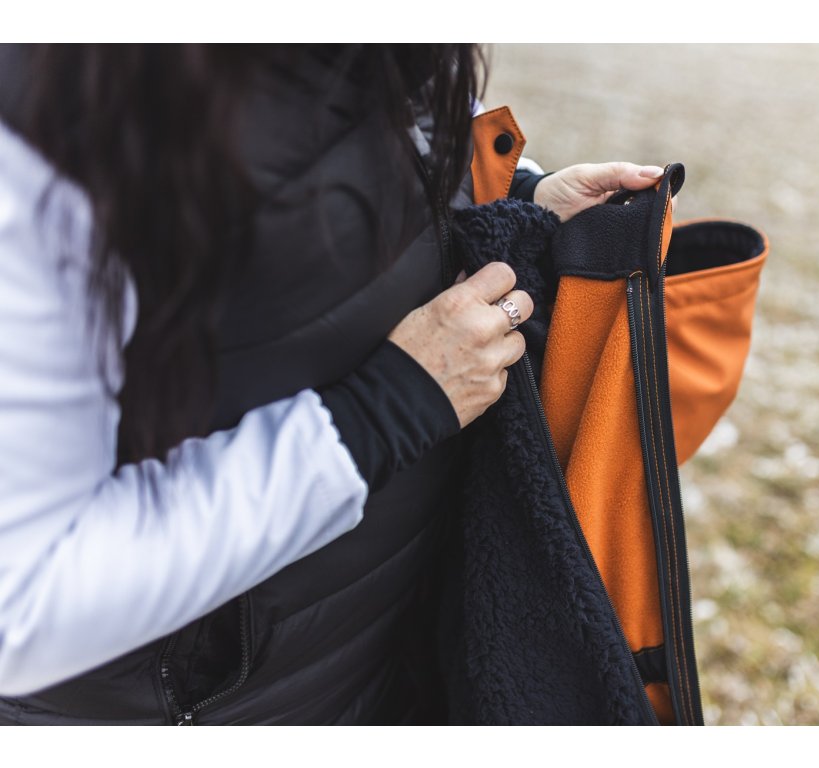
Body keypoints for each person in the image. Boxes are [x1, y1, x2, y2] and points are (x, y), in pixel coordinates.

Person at [0, 44, 667, 724]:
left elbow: (384, 147)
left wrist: (515, 199)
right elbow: (24, 602)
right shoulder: (37, 138)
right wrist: (386, 411)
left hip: (380, 651)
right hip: (211, 708)